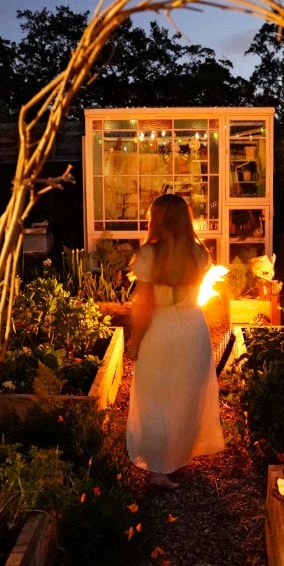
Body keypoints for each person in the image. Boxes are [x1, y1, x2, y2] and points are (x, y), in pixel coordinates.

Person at [125, 193, 225, 489]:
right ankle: (176, 456)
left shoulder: (148, 256)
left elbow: (143, 306)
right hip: (193, 328)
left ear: (155, 220)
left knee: (155, 397)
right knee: (185, 395)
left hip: (160, 330)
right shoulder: (199, 254)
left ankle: (158, 466)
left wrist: (135, 340)